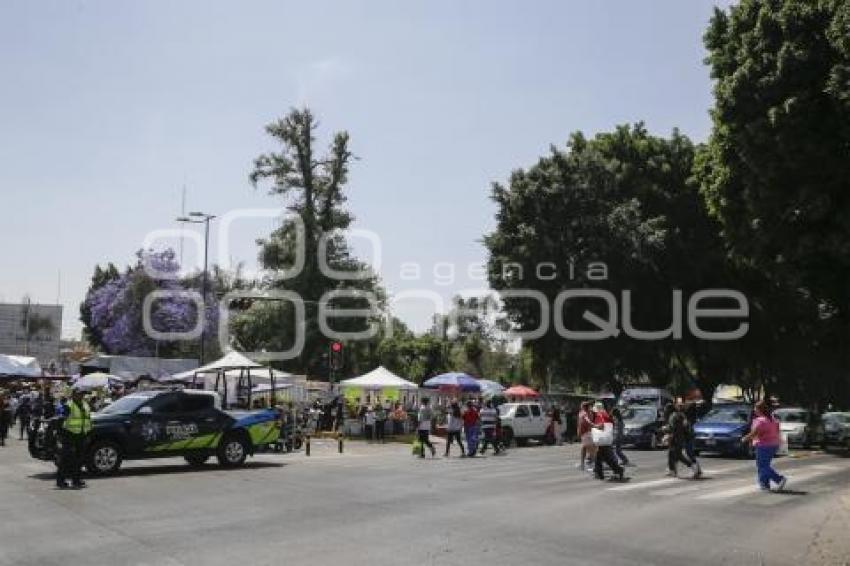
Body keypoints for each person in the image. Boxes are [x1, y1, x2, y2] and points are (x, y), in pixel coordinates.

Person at [742, 399, 787, 491]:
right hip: (773, 445)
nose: (754, 410)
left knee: (762, 466)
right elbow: (777, 432)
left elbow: (754, 433)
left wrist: (744, 438)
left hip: (764, 445)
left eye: (755, 408)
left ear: (759, 409)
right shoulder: (773, 419)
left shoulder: (760, 421)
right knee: (764, 465)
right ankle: (764, 484)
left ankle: (779, 479)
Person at [56, 388, 93, 489]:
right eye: (78, 394)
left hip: (81, 435)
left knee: (79, 460)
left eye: (81, 394)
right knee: (66, 459)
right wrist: (62, 436)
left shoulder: (85, 405)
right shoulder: (68, 405)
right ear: (73, 395)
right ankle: (61, 481)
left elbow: (88, 420)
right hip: (69, 435)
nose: (80, 396)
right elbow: (61, 421)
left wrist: (88, 434)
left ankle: (76, 480)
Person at [665, 400, 701, 479]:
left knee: (679, 455)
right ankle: (672, 471)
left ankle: (693, 467)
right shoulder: (677, 416)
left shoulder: (677, 416)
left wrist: (669, 434)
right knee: (671, 454)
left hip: (677, 438)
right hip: (678, 438)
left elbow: (676, 429)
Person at [591, 402, 626, 481]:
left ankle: (617, 470)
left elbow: (602, 426)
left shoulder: (601, 415)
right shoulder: (605, 414)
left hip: (602, 439)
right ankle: (599, 473)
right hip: (606, 438)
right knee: (600, 457)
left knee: (604, 458)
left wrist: (594, 426)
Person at [577, 401, 596, 472]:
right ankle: (582, 464)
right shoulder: (582, 413)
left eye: (581, 405)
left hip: (587, 433)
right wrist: (578, 431)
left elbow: (588, 421)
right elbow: (579, 423)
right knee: (585, 449)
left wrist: (595, 426)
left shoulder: (586, 413)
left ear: (584, 407)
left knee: (591, 450)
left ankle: (594, 465)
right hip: (584, 433)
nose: (580, 406)